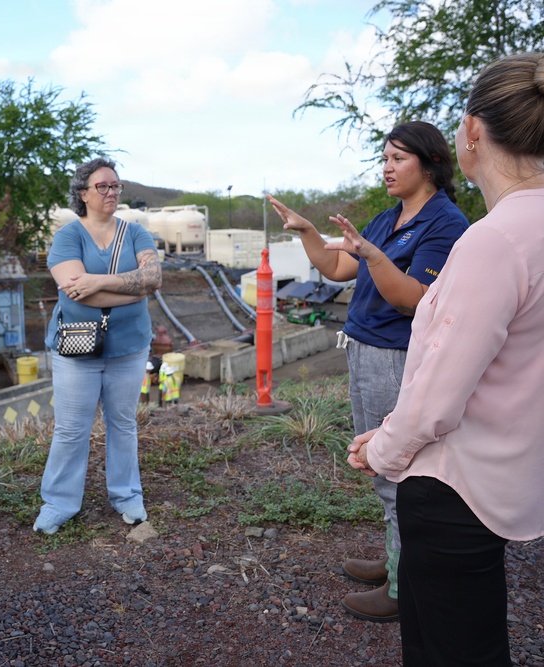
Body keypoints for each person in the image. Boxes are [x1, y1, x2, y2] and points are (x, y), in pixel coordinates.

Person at [349, 52, 544, 666]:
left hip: (455, 486)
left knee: (450, 647)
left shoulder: (492, 239)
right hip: (516, 471)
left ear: (472, 134)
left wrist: (381, 446)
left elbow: (438, 392)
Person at [267, 121, 469, 622]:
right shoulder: (389, 217)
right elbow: (338, 270)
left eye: (399, 158)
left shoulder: (445, 224)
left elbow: (413, 300)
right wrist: (309, 232)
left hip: (398, 356)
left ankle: (405, 586)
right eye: (384, 158)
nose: (387, 167)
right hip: (364, 350)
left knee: (397, 465)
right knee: (379, 462)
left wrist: (373, 255)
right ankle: (397, 558)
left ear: (431, 164)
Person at [33, 157, 162, 535]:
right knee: (71, 429)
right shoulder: (68, 236)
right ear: (83, 193)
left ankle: (127, 496)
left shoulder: (136, 232)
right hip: (77, 349)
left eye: (116, 185)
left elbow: (152, 279)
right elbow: (77, 294)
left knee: (123, 424)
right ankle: (59, 503)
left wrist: (98, 282)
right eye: (102, 186)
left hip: (129, 347)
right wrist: (130, 288)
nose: (111, 192)